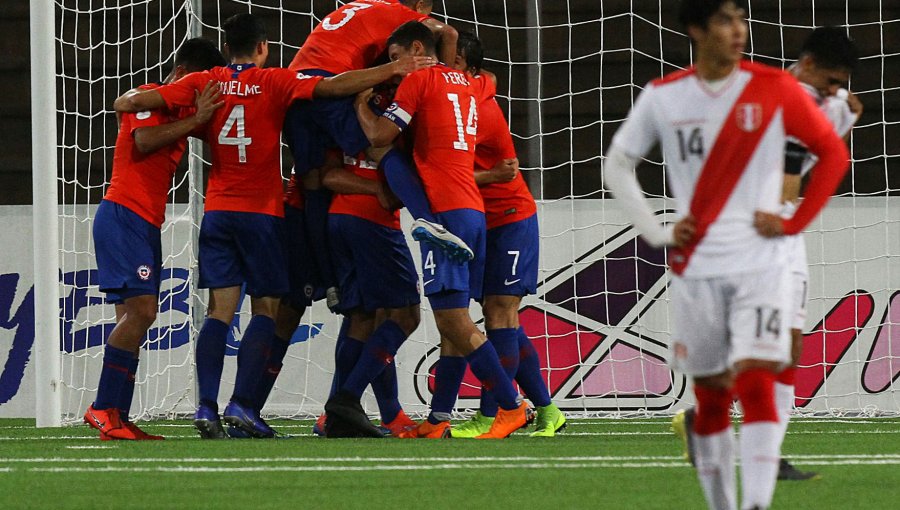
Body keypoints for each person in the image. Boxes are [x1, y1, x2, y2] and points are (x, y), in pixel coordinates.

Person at [114, 13, 435, 439]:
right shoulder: (276, 81)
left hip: (219, 211)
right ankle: (243, 406)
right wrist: (392, 68)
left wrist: (149, 106)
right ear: (263, 48)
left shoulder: (205, 81)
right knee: (267, 309)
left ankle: (206, 408)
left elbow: (133, 103)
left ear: (227, 49)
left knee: (218, 312)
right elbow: (330, 85)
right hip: (263, 213)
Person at [603, 1, 850, 508]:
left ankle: (756, 504)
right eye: (724, 20)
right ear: (696, 29)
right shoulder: (664, 97)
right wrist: (656, 231)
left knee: (758, 379)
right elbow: (619, 164)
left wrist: (794, 222)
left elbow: (832, 153)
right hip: (696, 265)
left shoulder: (775, 87)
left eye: (741, 19)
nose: (738, 30)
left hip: (762, 259)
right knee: (711, 397)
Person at [672, 25, 861, 481]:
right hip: (753, 232)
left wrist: (841, 116)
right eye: (831, 80)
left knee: (789, 346)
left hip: (779, 235)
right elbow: (788, 185)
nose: (837, 90)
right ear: (808, 64)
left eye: (841, 83)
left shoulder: (817, 101)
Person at [352, 20, 529, 439]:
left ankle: (511, 406)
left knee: (453, 322)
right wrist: (443, 36)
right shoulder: (470, 82)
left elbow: (379, 135)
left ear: (416, 50)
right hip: (472, 209)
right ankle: (438, 419)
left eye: (396, 59)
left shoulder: (419, 82)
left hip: (445, 217)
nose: (394, 69)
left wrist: (361, 104)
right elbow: (449, 48)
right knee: (456, 321)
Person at [83, 38, 227, 441]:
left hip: (143, 222)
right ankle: (101, 407)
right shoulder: (149, 96)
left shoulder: (180, 112)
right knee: (143, 312)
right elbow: (143, 142)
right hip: (123, 215)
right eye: (198, 84)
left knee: (134, 318)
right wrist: (194, 118)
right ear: (182, 74)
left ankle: (117, 416)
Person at [284, 0, 460, 312]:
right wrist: (445, 84)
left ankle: (328, 281)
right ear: (421, 7)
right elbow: (448, 32)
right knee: (381, 143)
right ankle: (427, 219)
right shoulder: (402, 15)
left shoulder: (357, 7)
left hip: (295, 89)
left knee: (311, 183)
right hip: (332, 83)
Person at [434, 31, 565, 438]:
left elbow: (454, 168)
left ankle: (492, 416)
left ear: (464, 68)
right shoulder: (466, 94)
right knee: (493, 316)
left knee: (498, 313)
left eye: (447, 61)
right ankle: (545, 408)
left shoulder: (475, 105)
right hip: (482, 220)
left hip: (510, 216)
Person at [319, 144, 421, 438]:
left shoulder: (340, 117)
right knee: (406, 315)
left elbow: (329, 176)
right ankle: (345, 400)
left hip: (338, 219)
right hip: (374, 223)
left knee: (362, 318)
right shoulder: (395, 122)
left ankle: (340, 415)